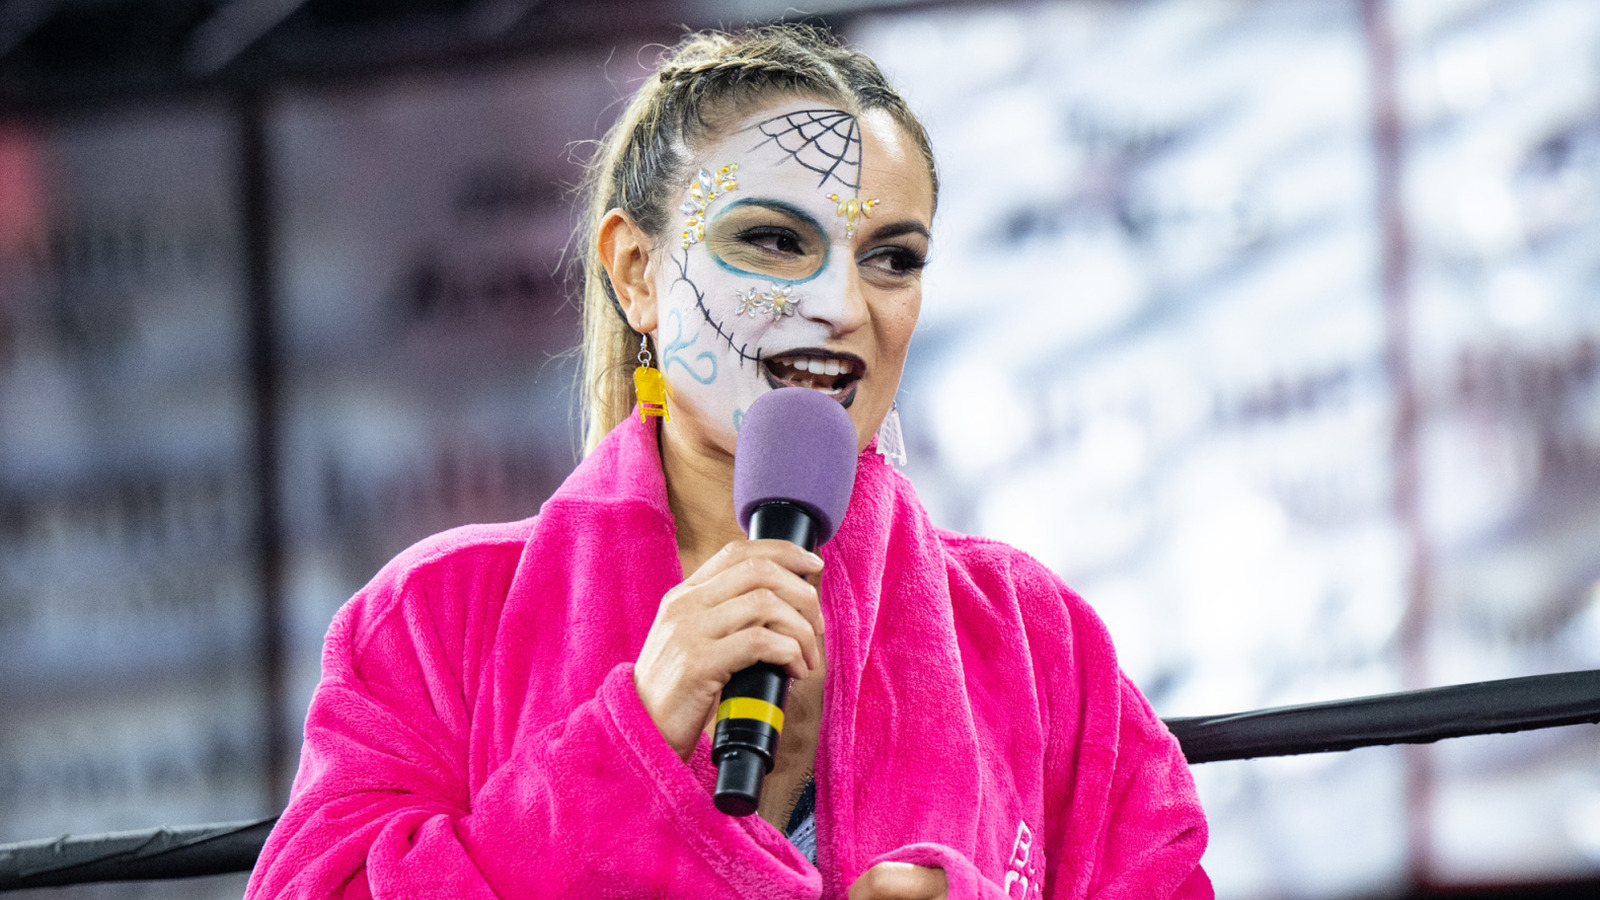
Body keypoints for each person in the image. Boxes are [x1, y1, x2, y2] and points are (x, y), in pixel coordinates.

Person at [244, 23, 1210, 900]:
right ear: (636, 273)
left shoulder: (1032, 637)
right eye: (775, 241)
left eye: (893, 258)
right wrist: (627, 744)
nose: (840, 305)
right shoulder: (434, 618)